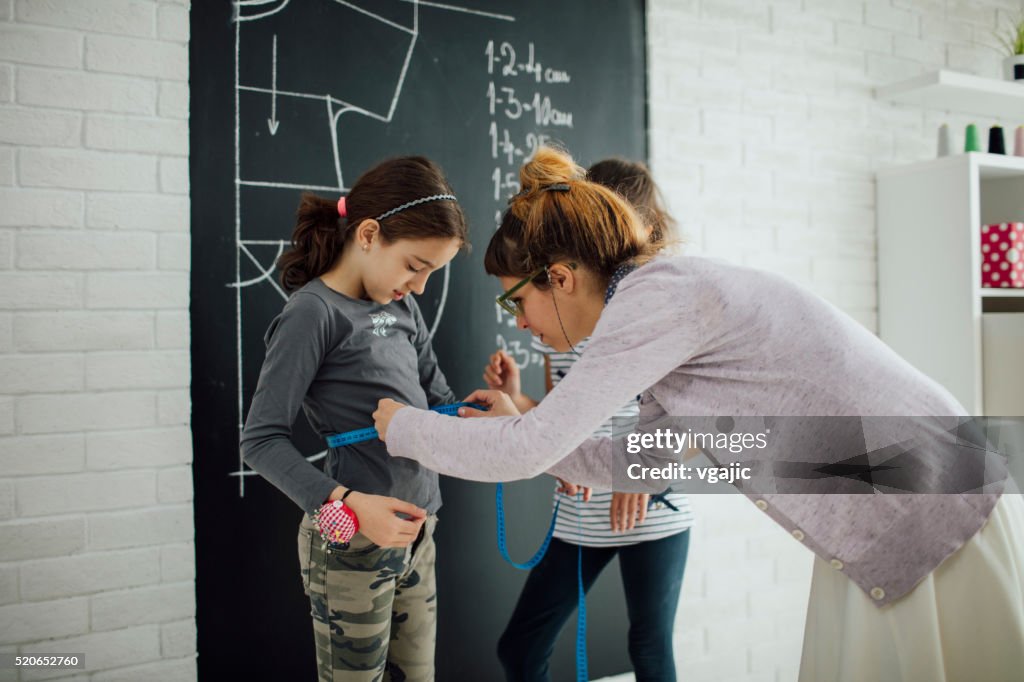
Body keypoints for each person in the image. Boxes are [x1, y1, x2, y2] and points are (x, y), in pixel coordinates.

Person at [372, 146, 1024, 681]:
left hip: (919, 486)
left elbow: (531, 449)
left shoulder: (651, 305)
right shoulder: (658, 298)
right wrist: (509, 428)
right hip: (901, 486)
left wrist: (404, 427)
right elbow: (636, 456)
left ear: (561, 278)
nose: (522, 324)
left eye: (516, 303)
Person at [240, 156, 467, 682]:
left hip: (419, 531)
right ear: (368, 234)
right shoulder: (312, 313)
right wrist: (346, 506)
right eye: (415, 266)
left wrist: (493, 411)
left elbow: (440, 405)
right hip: (351, 544)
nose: (420, 287)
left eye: (433, 273)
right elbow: (260, 440)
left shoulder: (404, 307)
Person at [488, 158, 692, 682]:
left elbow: (689, 409)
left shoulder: (657, 308)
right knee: (520, 648)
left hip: (651, 508)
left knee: (649, 650)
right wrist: (515, 398)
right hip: (582, 511)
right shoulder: (566, 313)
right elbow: (562, 417)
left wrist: (640, 472)